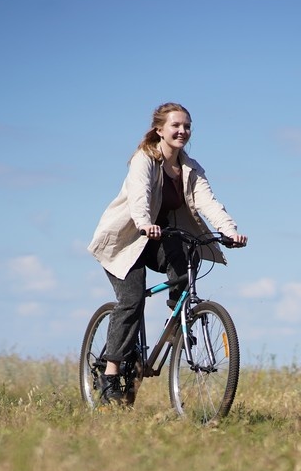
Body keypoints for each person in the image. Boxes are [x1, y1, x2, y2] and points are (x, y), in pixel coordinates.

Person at [87, 102, 247, 403]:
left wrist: (229, 230)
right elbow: (140, 195)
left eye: (187, 126)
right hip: (127, 242)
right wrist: (145, 223)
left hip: (161, 238)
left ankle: (178, 317)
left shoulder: (190, 168)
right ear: (159, 129)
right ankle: (110, 372)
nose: (182, 131)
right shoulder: (144, 160)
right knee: (132, 300)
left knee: (190, 251)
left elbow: (209, 203)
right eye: (176, 125)